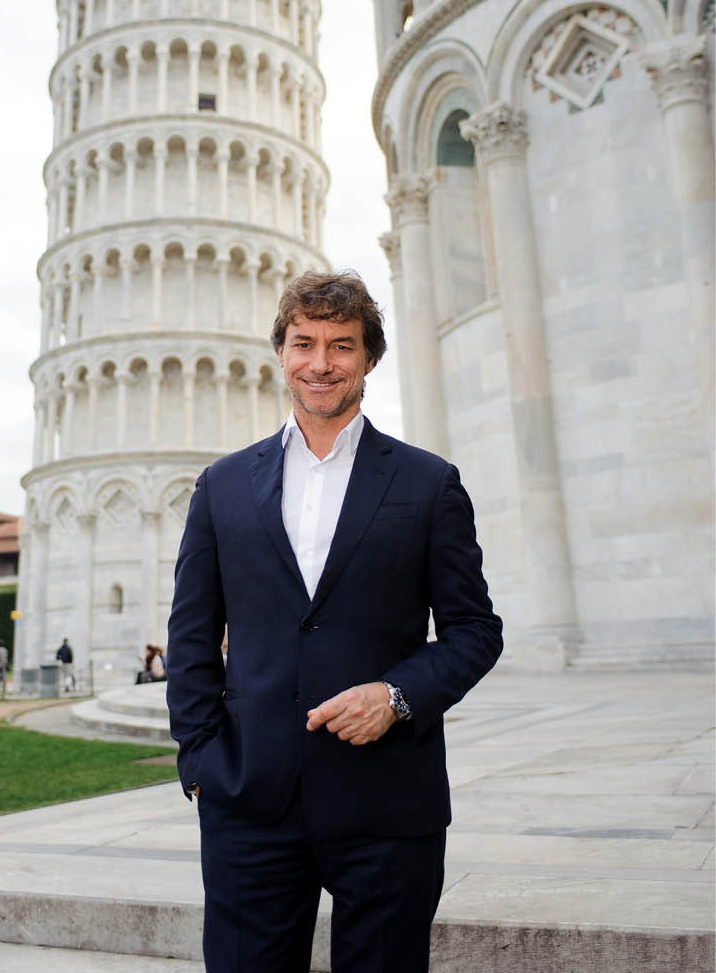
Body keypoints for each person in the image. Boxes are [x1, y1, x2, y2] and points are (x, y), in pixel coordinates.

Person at [166, 271, 503, 973]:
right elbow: (192, 635)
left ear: (369, 359)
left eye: (341, 346)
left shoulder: (427, 482)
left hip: (387, 803)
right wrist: (200, 760)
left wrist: (396, 695)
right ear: (282, 354)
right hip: (249, 801)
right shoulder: (222, 487)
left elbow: (476, 630)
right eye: (304, 343)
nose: (321, 364)